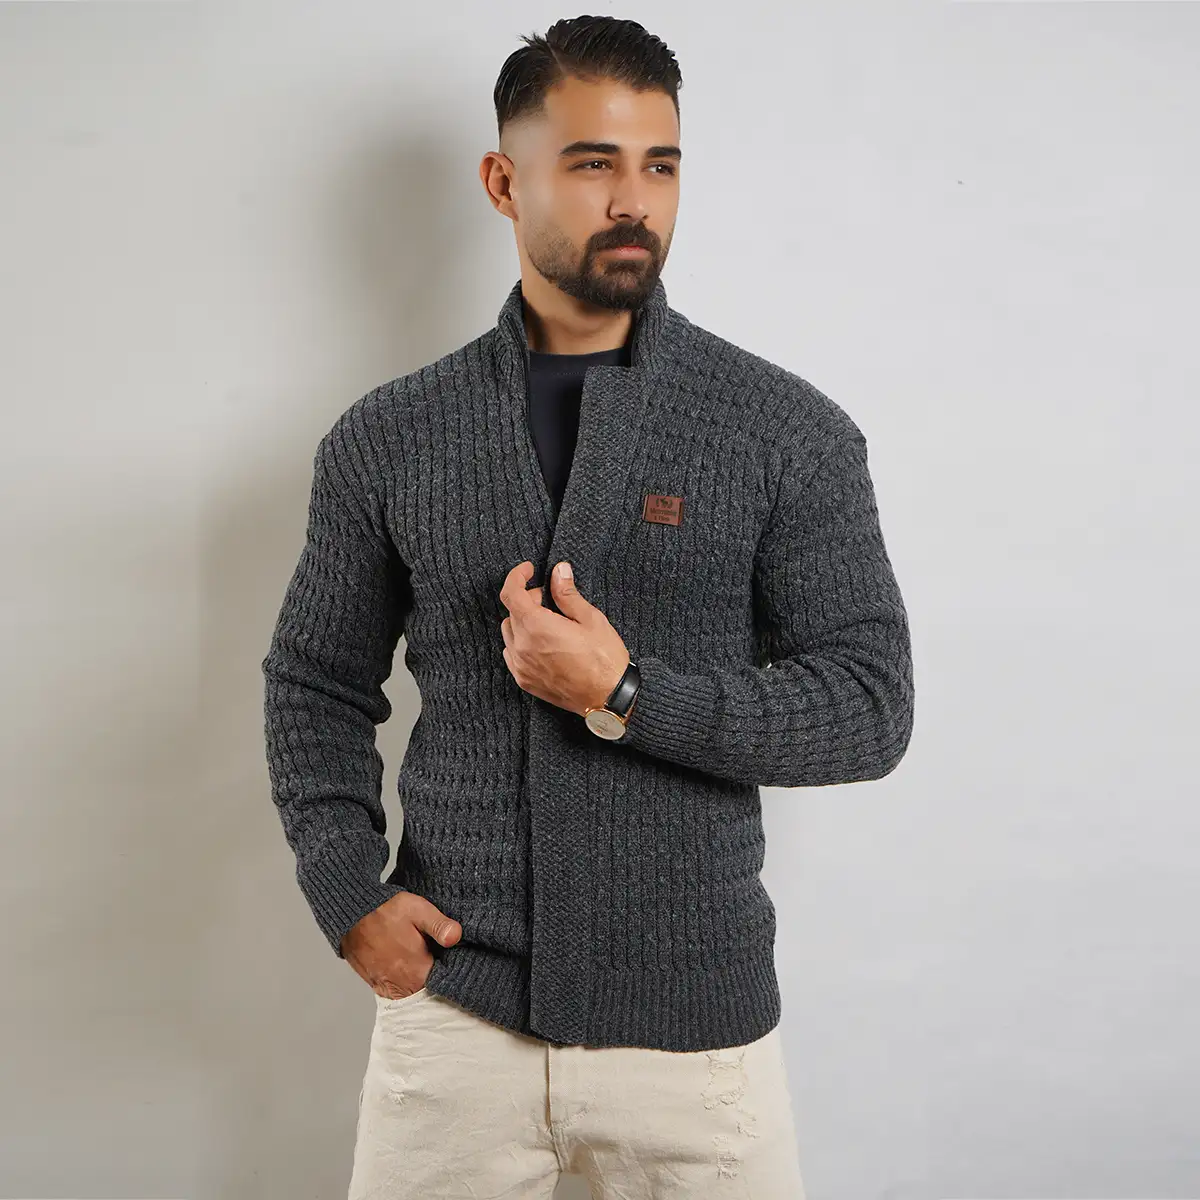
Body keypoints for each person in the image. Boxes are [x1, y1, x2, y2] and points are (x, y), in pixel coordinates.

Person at [261, 14, 915, 1199]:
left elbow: (869, 709)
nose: (634, 201)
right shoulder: (389, 437)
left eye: (661, 165)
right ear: (503, 182)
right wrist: (348, 892)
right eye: (593, 162)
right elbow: (315, 683)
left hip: (697, 1039)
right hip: (457, 1018)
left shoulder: (784, 431)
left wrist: (626, 692)